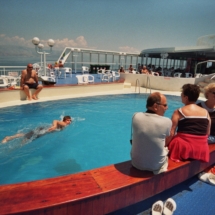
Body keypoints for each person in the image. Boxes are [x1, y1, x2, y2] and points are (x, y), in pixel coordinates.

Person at [167, 84, 211, 162]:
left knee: (173, 141)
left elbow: (171, 133)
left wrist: (164, 145)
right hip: (201, 149)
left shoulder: (178, 112)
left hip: (183, 148)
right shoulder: (206, 112)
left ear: (186, 97)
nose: (181, 96)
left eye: (182, 94)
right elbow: (207, 133)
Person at [130, 92, 172, 174]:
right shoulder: (167, 121)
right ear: (156, 106)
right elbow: (167, 140)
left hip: (136, 163)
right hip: (155, 166)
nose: (167, 108)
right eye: (165, 105)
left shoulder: (135, 116)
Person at [1, 116, 72, 144]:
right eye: (68, 120)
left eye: (70, 120)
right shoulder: (64, 124)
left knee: (26, 134)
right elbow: (55, 120)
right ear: (65, 120)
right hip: (43, 130)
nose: (70, 122)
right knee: (27, 139)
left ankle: (9, 138)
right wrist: (54, 126)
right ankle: (15, 145)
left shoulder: (63, 123)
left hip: (43, 129)